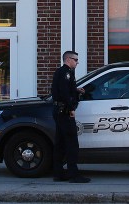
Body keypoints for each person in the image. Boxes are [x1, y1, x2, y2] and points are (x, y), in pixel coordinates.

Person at [50, 50, 90, 183]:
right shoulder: (65, 72)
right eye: (75, 59)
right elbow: (64, 92)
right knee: (72, 143)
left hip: (59, 110)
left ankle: (58, 174)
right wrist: (71, 108)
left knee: (60, 143)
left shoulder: (63, 72)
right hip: (64, 111)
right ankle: (74, 175)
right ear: (68, 59)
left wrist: (76, 90)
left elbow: (64, 89)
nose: (77, 62)